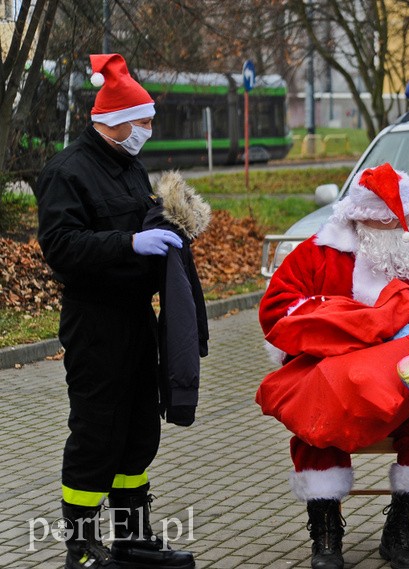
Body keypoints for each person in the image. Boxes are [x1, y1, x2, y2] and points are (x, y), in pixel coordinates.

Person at [257, 163, 409, 569]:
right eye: (383, 220)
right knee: (313, 419)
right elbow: (277, 308)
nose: (393, 227)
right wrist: (342, 326)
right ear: (358, 215)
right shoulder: (318, 253)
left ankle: (403, 525)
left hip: (406, 378)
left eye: (398, 220)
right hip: (330, 375)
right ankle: (325, 533)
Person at [35, 54, 196, 569]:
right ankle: (80, 547)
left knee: (138, 431)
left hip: (135, 320)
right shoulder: (67, 172)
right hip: (95, 322)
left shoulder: (128, 166)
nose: (148, 130)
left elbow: (144, 226)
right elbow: (61, 247)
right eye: (143, 120)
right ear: (114, 120)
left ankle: (132, 539)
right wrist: (129, 243)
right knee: (97, 433)